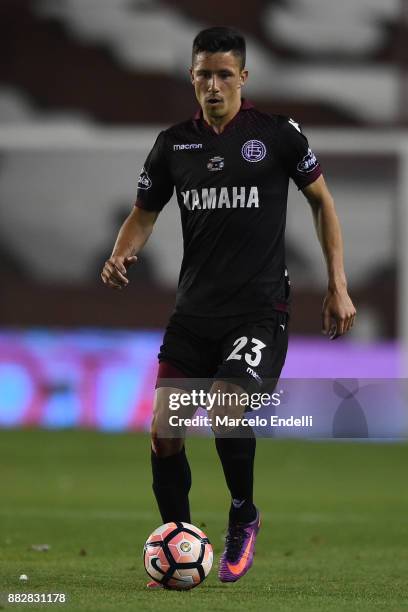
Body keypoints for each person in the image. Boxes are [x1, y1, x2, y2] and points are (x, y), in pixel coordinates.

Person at [101, 26, 356, 586]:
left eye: (223, 74)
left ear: (243, 77)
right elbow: (144, 212)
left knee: (225, 404)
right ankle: (179, 542)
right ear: (191, 79)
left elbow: (322, 202)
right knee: (164, 432)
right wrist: (122, 253)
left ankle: (243, 513)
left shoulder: (278, 136)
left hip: (260, 312)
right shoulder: (175, 145)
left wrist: (337, 283)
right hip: (194, 314)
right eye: (202, 75)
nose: (213, 85)